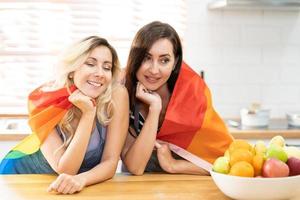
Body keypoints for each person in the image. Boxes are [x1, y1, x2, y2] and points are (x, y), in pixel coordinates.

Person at [0, 36, 129, 194]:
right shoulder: (45, 100)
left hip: (69, 185)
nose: (100, 73)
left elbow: (110, 162)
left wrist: (82, 179)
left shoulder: (116, 95)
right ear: (72, 69)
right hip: (23, 177)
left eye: (107, 67)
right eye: (90, 64)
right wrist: (88, 114)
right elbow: (67, 169)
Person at [121, 21, 233, 175]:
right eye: (146, 58)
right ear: (135, 58)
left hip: (182, 183)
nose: (154, 70)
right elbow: (135, 167)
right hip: (136, 185)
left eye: (164, 60)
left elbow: (225, 165)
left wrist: (174, 165)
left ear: (175, 63)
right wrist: (155, 109)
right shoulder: (123, 93)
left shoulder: (192, 93)